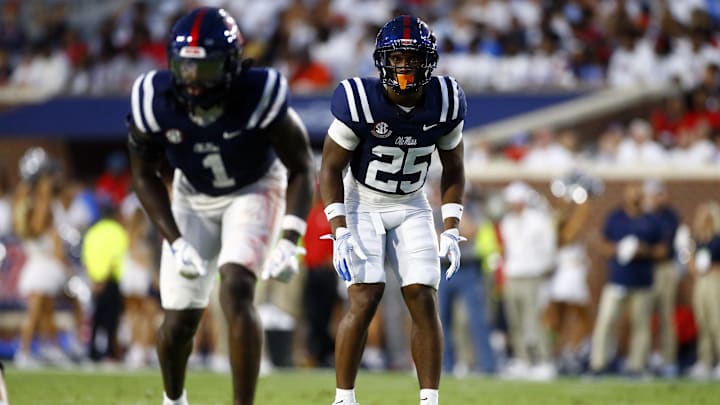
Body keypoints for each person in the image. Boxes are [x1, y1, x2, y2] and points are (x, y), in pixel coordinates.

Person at [126, 7, 314, 405]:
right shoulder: (154, 100)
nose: (193, 81)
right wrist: (175, 241)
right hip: (191, 196)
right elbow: (143, 175)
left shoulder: (259, 94)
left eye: (206, 68)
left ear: (231, 65)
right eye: (186, 68)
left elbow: (301, 166)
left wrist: (291, 237)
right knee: (179, 319)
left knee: (237, 286)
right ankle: (173, 399)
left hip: (254, 188)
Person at [319, 15, 467, 405]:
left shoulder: (446, 101)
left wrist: (451, 228)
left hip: (412, 202)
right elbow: (329, 169)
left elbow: (454, 168)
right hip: (362, 201)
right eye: (397, 59)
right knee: (365, 295)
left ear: (428, 63)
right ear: (382, 61)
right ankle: (344, 397)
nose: (404, 68)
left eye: (412, 59)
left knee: (422, 293)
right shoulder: (359, 100)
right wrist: (338, 228)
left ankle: (429, 399)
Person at [589, 182, 666, 378]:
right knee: (606, 321)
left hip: (642, 280)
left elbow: (663, 249)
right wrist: (618, 250)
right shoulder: (615, 217)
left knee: (641, 324)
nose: (635, 197)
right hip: (618, 279)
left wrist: (644, 250)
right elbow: (601, 243)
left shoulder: (651, 220)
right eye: (631, 193)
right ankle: (598, 363)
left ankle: (636, 365)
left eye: (638, 194)